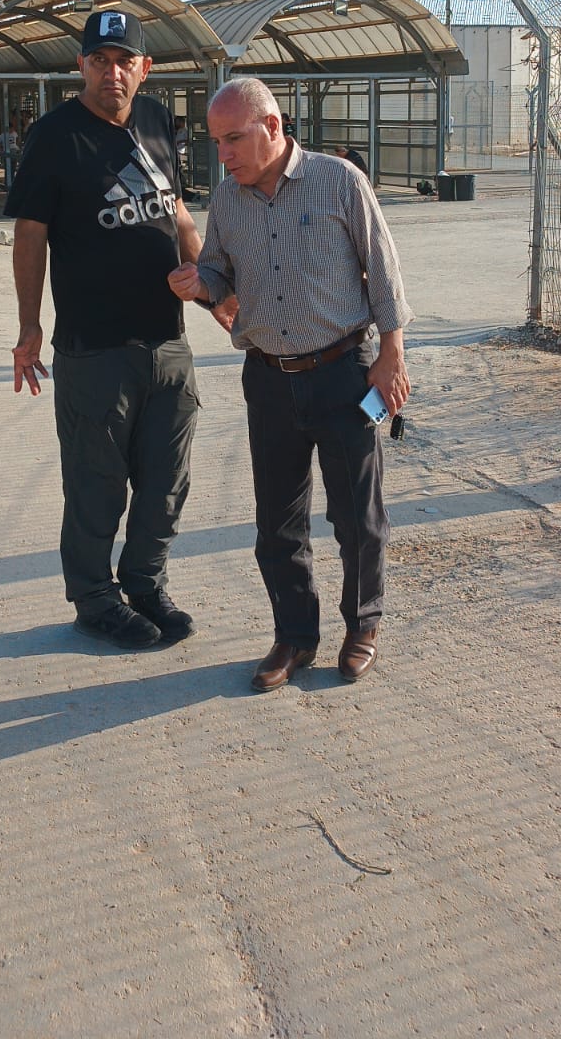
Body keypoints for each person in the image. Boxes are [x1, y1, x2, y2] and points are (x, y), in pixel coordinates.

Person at [168, 77, 412, 693]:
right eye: (215, 141)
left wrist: (392, 354)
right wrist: (200, 283)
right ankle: (295, 635)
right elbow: (220, 271)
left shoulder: (339, 181)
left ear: (272, 127)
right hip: (269, 381)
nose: (222, 153)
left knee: (357, 516)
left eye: (233, 138)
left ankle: (363, 624)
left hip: (342, 374)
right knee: (277, 522)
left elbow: (383, 269)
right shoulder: (228, 198)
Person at [5, 9, 236, 651]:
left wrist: (211, 287)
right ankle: (95, 600)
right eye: (100, 60)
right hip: (95, 348)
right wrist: (29, 326)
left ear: (144, 67)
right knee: (95, 484)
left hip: (166, 341)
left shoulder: (157, 120)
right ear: (81, 65)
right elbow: (30, 235)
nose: (112, 72)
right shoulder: (54, 136)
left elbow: (178, 214)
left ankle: (144, 583)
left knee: (166, 479)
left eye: (124, 60)